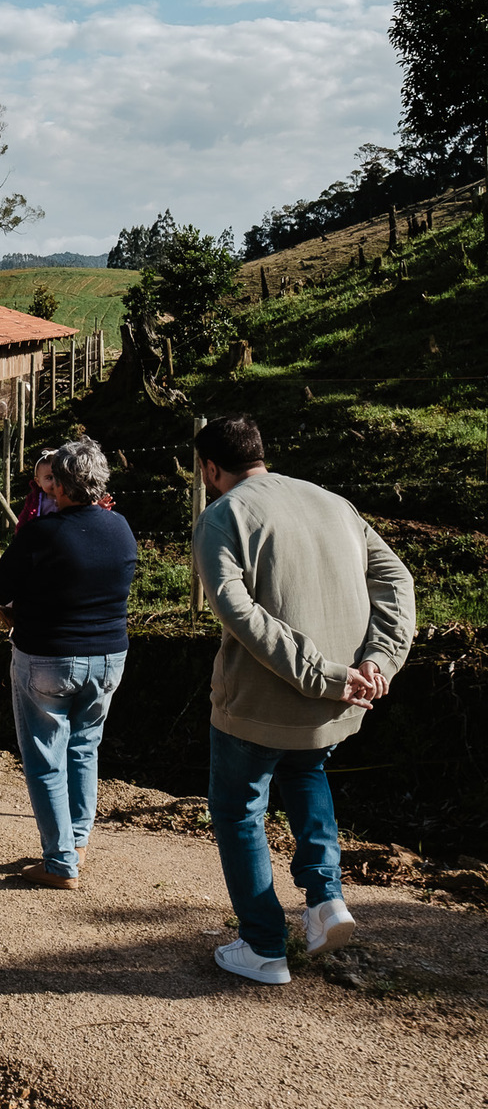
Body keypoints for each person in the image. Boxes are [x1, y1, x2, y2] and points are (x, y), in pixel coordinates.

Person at [192, 414, 415, 987]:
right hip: (335, 704)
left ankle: (264, 947)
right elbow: (397, 580)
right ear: (261, 453)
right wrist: (377, 661)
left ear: (211, 468)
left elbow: (238, 612)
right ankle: (325, 900)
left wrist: (323, 673)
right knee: (307, 773)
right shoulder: (333, 502)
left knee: (240, 813)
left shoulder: (223, 516)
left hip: (259, 703)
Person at [0, 437, 137, 888]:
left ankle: (60, 861)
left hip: (48, 657)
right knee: (84, 748)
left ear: (64, 486)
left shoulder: (43, 533)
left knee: (46, 756)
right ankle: (78, 842)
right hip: (109, 656)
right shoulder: (121, 528)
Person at [17, 448, 59, 527]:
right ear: (38, 482)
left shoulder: (69, 497)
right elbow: (24, 519)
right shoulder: (34, 499)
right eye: (49, 478)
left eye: (59, 475)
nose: (55, 481)